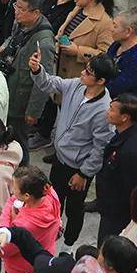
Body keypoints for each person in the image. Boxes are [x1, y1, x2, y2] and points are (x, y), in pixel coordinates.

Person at [29, 51, 116, 248]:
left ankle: (68, 244)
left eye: (89, 71)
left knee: (75, 208)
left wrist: (84, 173)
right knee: (53, 201)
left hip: (78, 168)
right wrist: (37, 70)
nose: (83, 73)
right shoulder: (77, 85)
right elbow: (52, 83)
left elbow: (100, 147)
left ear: (101, 80)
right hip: (61, 158)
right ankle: (50, 234)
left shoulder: (103, 110)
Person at [0, 0, 55, 163]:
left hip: (21, 99)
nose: (16, 11)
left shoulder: (44, 43)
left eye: (22, 9)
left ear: (36, 12)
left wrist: (33, 111)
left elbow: (43, 82)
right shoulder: (21, 23)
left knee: (19, 140)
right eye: (16, 6)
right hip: (9, 88)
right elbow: (12, 39)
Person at [95, 95, 137, 243]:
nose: (107, 112)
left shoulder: (129, 152)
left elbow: (133, 187)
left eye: (111, 109)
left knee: (108, 247)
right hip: (113, 206)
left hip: (118, 212)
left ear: (124, 118)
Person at [55, 0, 116, 80]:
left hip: (77, 77)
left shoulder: (105, 23)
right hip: (58, 69)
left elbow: (105, 56)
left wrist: (78, 51)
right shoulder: (77, 10)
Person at [105, 11, 137, 122]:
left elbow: (118, 86)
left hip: (132, 112)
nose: (111, 29)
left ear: (128, 31)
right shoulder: (115, 45)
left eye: (115, 26)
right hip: (115, 104)